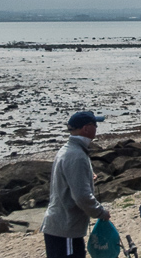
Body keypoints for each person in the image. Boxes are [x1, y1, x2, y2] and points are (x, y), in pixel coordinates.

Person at [41, 110, 110, 258]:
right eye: (95, 124)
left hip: (60, 227)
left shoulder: (69, 150)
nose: (97, 127)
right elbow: (81, 197)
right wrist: (101, 213)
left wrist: (87, 178)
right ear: (86, 128)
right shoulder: (76, 155)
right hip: (65, 229)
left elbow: (67, 181)